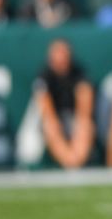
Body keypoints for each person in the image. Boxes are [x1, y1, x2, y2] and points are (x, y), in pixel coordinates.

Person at [33, 38, 95, 169]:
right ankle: (71, 163)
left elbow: (84, 106)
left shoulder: (79, 73)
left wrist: (79, 123)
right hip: (55, 119)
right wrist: (55, 122)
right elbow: (46, 109)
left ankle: (75, 162)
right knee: (50, 125)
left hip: (73, 118)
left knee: (84, 125)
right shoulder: (44, 75)